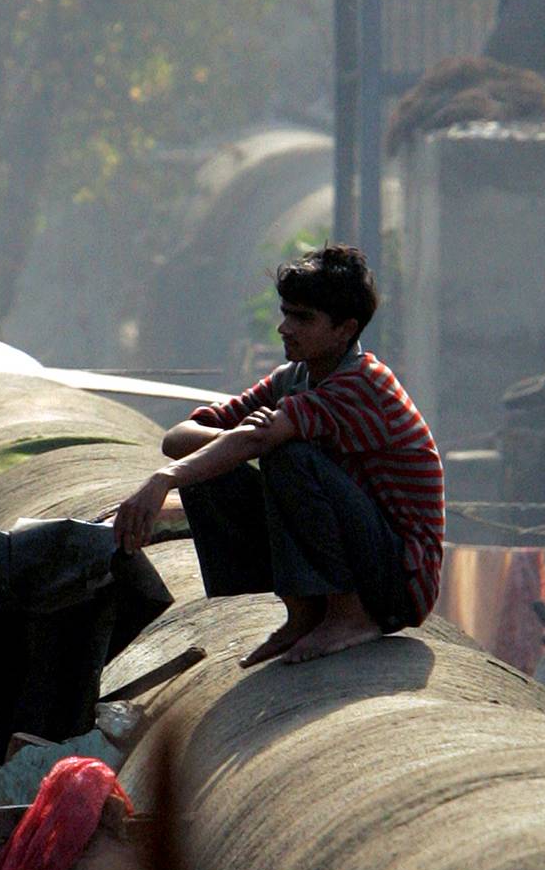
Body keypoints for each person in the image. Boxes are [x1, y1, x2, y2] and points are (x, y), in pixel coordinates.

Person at [113, 244, 443, 666]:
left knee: (285, 454)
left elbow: (258, 443)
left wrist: (166, 478)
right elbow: (178, 438)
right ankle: (303, 612)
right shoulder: (293, 377)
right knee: (222, 464)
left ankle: (350, 613)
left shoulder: (363, 383)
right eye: (286, 313)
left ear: (345, 329)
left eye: (303, 318)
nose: (285, 328)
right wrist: (242, 438)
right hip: (362, 552)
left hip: (398, 578)